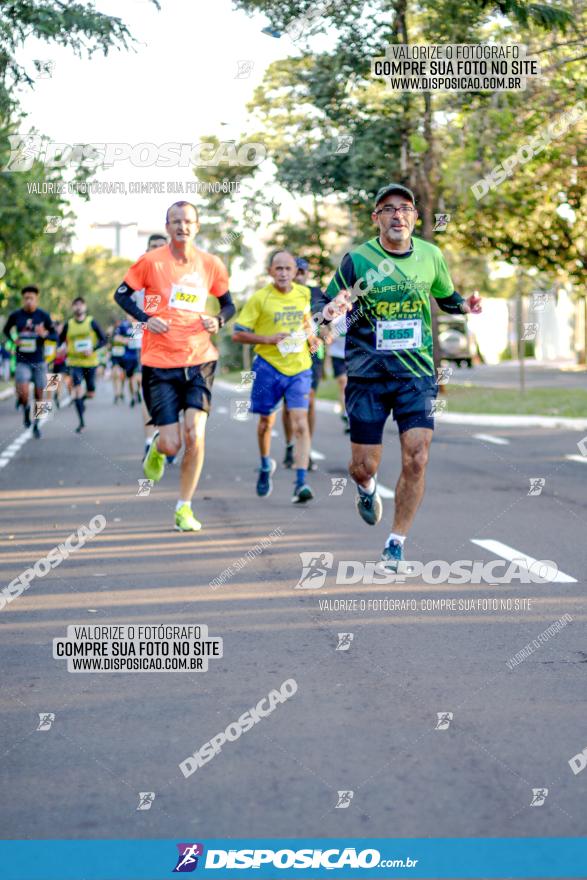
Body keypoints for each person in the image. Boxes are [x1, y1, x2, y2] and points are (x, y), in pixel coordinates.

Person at [317, 183, 482, 571]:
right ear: (376, 218)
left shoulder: (430, 255)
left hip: (416, 374)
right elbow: (325, 303)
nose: (397, 215)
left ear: (414, 217)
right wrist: (333, 309)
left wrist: (465, 306)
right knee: (364, 466)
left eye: (405, 209)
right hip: (367, 375)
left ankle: (396, 541)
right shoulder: (358, 260)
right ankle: (366, 488)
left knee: (418, 457)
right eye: (388, 209)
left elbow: (445, 297)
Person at [114, 201, 235, 532]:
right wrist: (146, 319)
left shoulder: (211, 264)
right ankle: (157, 446)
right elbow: (122, 294)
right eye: (176, 221)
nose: (182, 226)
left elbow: (228, 305)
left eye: (188, 221)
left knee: (195, 434)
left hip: (199, 360)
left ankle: (184, 507)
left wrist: (217, 320)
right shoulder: (151, 263)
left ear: (197, 227)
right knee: (172, 444)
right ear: (167, 227)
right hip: (159, 363)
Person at [232, 250, 319, 503]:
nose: (283, 273)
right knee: (265, 424)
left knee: (300, 422)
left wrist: (312, 337)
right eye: (278, 269)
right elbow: (238, 334)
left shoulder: (303, 294)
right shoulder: (259, 299)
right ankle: (264, 465)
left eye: (288, 269)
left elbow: (305, 321)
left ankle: (301, 482)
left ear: (295, 272)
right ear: (270, 271)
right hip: (268, 367)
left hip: (299, 367)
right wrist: (267, 339)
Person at [282, 257, 324, 471]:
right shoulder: (281, 293)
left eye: (302, 272)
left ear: (307, 274)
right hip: (286, 354)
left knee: (309, 402)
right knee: (290, 405)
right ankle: (290, 446)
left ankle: (305, 449)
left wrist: (327, 333)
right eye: (295, 271)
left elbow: (328, 320)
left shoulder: (316, 293)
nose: (298, 276)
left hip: (312, 354)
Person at [3, 285, 56, 438]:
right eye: (26, 298)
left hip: (39, 361)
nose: (28, 301)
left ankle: (37, 425)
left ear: (36, 299)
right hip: (22, 360)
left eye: (31, 298)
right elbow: (6, 330)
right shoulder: (16, 315)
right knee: (24, 393)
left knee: (40, 394)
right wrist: (14, 340)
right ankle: (26, 409)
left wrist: (44, 333)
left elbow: (54, 336)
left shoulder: (43, 316)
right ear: (23, 299)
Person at [59, 297, 107, 433]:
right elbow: (60, 340)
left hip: (91, 362)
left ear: (85, 307)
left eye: (81, 304)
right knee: (77, 390)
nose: (78, 307)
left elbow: (104, 339)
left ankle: (81, 400)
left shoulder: (91, 322)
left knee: (91, 393)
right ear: (72, 308)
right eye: (75, 305)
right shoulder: (68, 324)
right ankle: (81, 423)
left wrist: (93, 348)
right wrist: (61, 347)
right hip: (75, 363)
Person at [327, 313, 350, 433]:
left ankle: (352, 413)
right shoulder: (333, 309)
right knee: (343, 383)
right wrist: (328, 334)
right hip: (337, 353)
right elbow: (323, 328)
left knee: (352, 385)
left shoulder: (356, 309)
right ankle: (346, 414)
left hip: (353, 352)